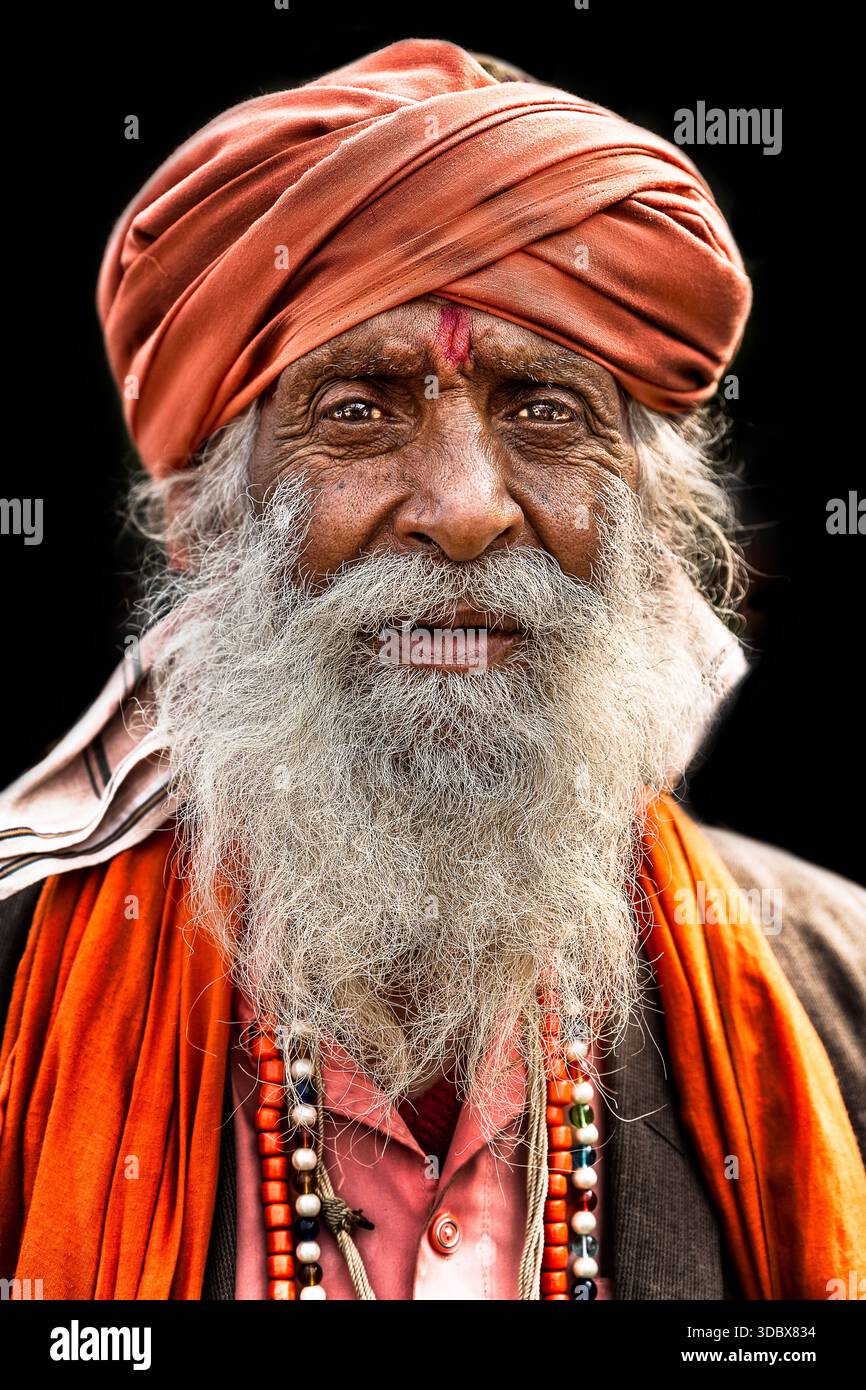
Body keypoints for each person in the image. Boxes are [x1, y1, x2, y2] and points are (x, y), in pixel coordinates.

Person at [1, 38, 863, 1303]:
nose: (464, 509)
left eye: (544, 408)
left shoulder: (836, 988)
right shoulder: (21, 987)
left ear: (650, 517)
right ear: (199, 514)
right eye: (358, 408)